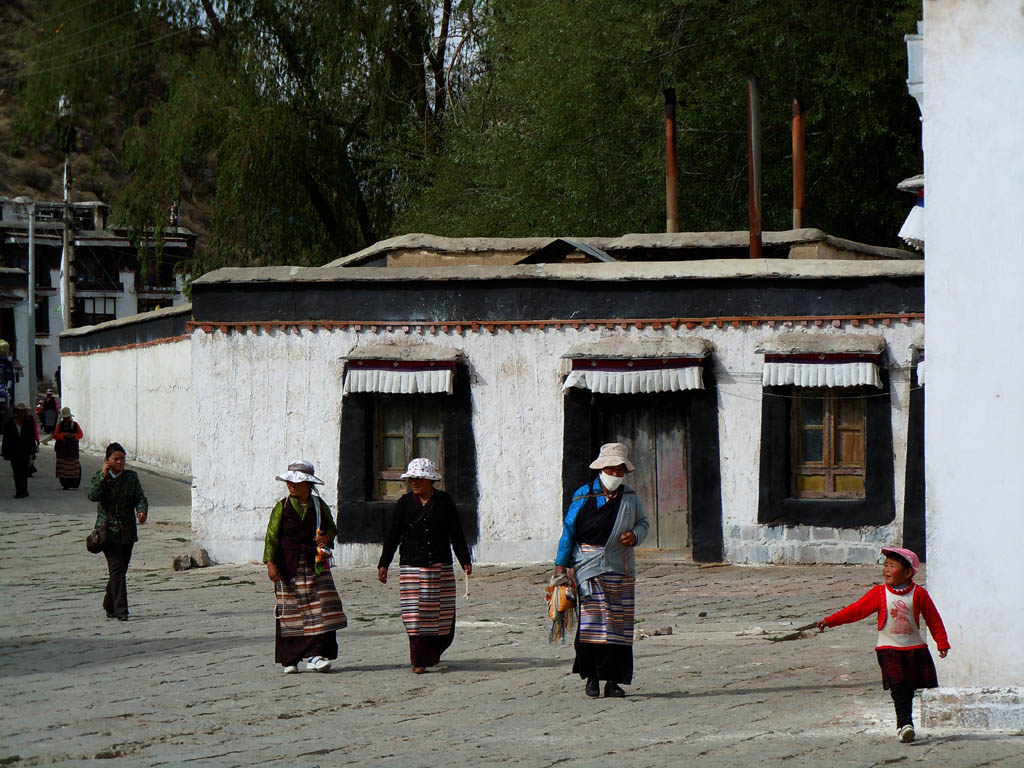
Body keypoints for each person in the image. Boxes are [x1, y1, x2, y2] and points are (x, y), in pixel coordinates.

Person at [817, 546, 949, 743]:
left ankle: (906, 722)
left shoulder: (919, 594)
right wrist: (830, 620)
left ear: (907, 572)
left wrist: (941, 642)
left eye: (893, 566)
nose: (887, 569)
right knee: (898, 686)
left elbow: (933, 619)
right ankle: (904, 724)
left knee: (910, 688)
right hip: (888, 650)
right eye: (886, 565)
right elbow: (856, 611)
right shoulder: (879, 593)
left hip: (914, 649)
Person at [554, 442, 649, 699]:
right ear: (601, 469)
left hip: (620, 568)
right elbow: (569, 531)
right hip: (589, 567)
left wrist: (635, 535)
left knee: (618, 625)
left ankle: (614, 682)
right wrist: (561, 564)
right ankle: (592, 678)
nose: (616, 475)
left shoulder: (630, 498)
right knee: (593, 624)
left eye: (620, 470)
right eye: (612, 469)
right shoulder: (583, 496)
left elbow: (643, 523)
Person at [378, 458, 472, 674]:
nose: (414, 482)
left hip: (440, 566)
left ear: (430, 480)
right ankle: (418, 660)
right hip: (411, 566)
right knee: (414, 615)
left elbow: (456, 532)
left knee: (440, 614)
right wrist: (384, 563)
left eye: (418, 478)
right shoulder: (403, 504)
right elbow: (393, 535)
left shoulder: (444, 502)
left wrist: (464, 559)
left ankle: (432, 652)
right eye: (411, 478)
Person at [263, 460, 347, 674]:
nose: (291, 486)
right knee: (291, 611)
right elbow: (271, 537)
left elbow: (331, 528)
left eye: (296, 482)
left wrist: (327, 537)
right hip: (288, 565)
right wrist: (270, 564)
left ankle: (317, 655)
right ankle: (290, 658)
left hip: (315, 564)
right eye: (289, 482)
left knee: (321, 609)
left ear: (308, 485)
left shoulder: (319, 506)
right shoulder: (281, 507)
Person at [88, 442, 149, 621]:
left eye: (122, 459)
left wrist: (142, 510)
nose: (120, 462)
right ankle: (121, 610)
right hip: (108, 532)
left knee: (121, 569)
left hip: (127, 531)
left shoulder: (131, 477)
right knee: (116, 569)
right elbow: (93, 496)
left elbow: (140, 497)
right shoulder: (100, 477)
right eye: (116, 459)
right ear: (107, 460)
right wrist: (103, 476)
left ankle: (109, 603)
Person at [2, 403, 37, 498]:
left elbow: (31, 438)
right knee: (16, 472)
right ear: (15, 412)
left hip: (25, 452)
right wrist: (5, 452)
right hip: (14, 452)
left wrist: (33, 452)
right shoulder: (9, 424)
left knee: (24, 472)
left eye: (23, 411)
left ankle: (24, 490)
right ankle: (19, 491)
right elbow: (6, 439)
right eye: (19, 411)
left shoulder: (28, 423)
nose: (21, 413)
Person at [53, 407, 84, 489]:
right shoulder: (60, 425)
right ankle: (65, 484)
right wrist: (63, 435)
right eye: (64, 418)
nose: (66, 419)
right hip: (62, 450)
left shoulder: (75, 425)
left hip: (72, 450)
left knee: (73, 466)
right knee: (63, 467)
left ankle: (74, 484)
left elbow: (80, 434)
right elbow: (55, 435)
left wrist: (73, 436)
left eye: (67, 418)